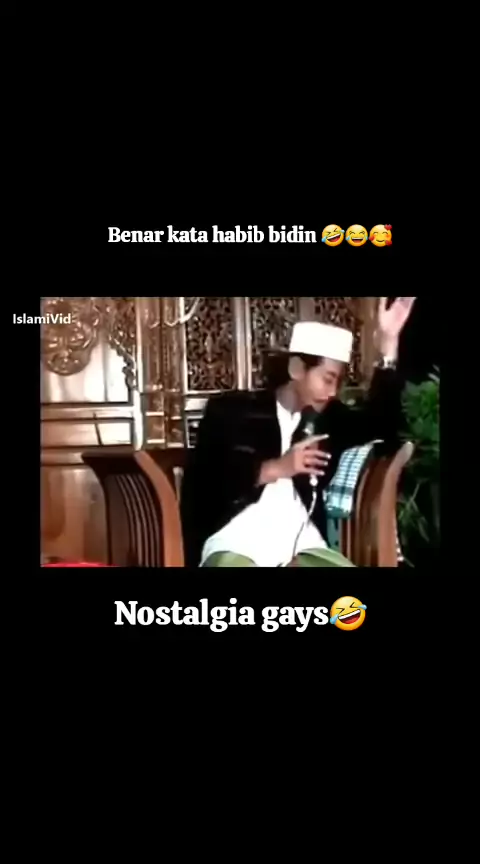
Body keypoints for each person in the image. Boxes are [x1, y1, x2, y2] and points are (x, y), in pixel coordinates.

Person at [180, 297, 416, 568]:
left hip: (301, 543)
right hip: (235, 539)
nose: (332, 392)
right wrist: (278, 467)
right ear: (297, 369)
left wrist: (388, 348)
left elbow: (383, 424)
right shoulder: (232, 411)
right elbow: (207, 483)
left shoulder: (327, 419)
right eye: (327, 379)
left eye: (337, 382)